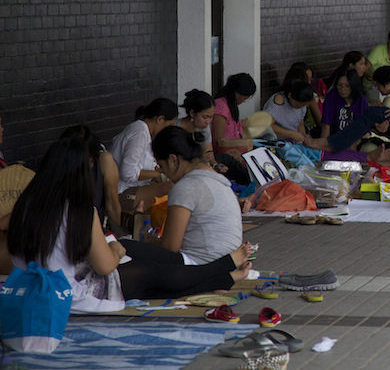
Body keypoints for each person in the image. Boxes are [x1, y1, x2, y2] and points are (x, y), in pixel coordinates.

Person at [6, 134, 252, 313]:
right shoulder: (80, 210)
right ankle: (223, 273)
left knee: (149, 281)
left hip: (33, 291)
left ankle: (224, 276)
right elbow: (104, 267)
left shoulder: (24, 206)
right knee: (149, 272)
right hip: (73, 295)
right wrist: (116, 249)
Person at [153, 126, 243, 265]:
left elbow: (170, 248)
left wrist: (149, 241)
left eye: (162, 166)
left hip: (202, 267)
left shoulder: (186, 186)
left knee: (131, 249)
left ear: (173, 160)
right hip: (230, 264)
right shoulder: (220, 182)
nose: (164, 173)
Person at [109, 98, 178, 216]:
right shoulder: (139, 134)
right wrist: (158, 174)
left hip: (135, 188)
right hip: (121, 192)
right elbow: (127, 173)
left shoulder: (144, 132)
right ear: (160, 119)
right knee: (170, 188)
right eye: (169, 125)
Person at [59, 125, 122, 231]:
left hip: (94, 234)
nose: (88, 165)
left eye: (91, 160)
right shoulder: (58, 171)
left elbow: (112, 205)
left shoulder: (104, 162)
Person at [212, 73, 257, 148]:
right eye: (244, 98)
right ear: (236, 93)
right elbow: (220, 141)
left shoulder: (231, 105)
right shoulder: (221, 107)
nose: (243, 101)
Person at [321, 69, 368, 140]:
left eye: (347, 86)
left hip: (356, 139)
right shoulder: (332, 96)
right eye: (339, 85)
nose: (342, 89)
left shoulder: (361, 100)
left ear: (353, 86)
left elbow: (363, 129)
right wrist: (323, 147)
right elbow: (326, 126)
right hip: (335, 139)